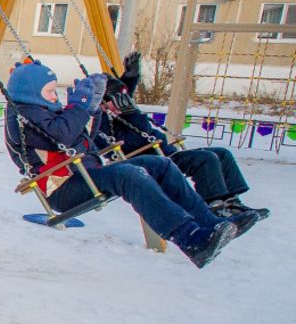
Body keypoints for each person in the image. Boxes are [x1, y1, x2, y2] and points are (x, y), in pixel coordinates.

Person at [3, 59, 254, 268]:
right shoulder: (23, 116)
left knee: (160, 165)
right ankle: (190, 237)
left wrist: (93, 109)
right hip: (62, 188)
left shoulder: (45, 113)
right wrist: (78, 107)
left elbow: (86, 140)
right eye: (49, 91)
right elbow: (62, 135)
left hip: (85, 176)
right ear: (31, 93)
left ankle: (210, 224)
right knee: (128, 173)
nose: (54, 96)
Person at [97, 52, 268, 235]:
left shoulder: (120, 109)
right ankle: (214, 206)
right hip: (151, 163)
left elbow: (123, 94)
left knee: (222, 153)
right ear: (103, 102)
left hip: (166, 155)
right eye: (115, 100)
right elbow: (137, 137)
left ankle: (232, 202)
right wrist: (130, 113)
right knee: (205, 159)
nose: (123, 103)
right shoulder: (103, 121)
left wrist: (131, 76)